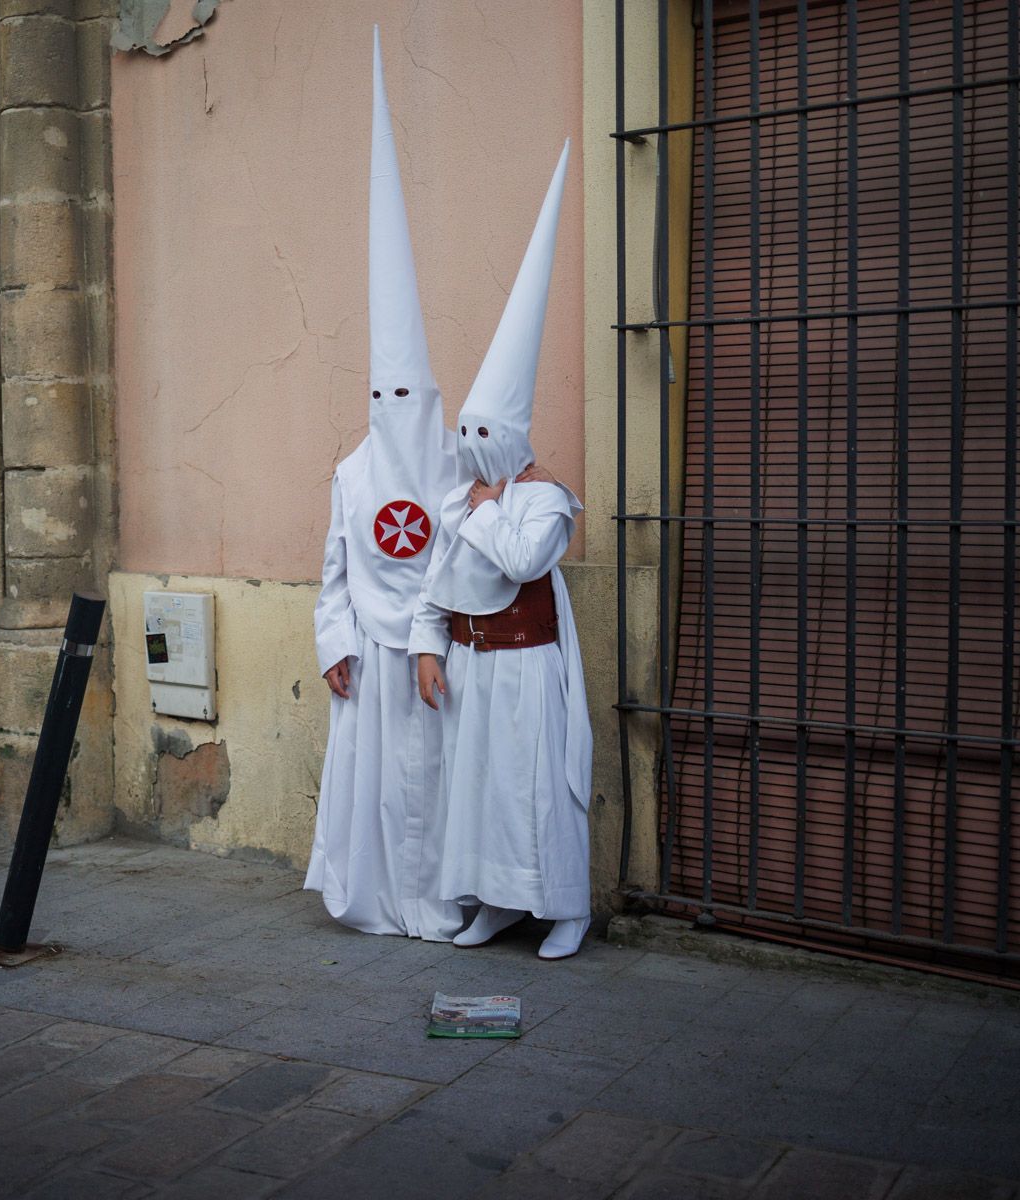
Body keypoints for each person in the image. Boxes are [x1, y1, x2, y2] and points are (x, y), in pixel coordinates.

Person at [409, 143, 596, 962]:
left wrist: (487, 510)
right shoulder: (460, 498)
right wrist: (425, 645)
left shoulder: (548, 498)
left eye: (489, 433)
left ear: (513, 435)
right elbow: (435, 581)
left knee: (533, 794)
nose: (475, 446)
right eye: (467, 432)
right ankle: (491, 904)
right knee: (478, 794)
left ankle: (563, 908)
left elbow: (522, 562)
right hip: (474, 665)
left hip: (529, 664)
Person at [303, 31, 468, 941]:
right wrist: (335, 638)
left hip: (439, 661)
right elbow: (333, 569)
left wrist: (433, 637)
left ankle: (443, 902)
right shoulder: (354, 471)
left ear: (432, 400)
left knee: (440, 783)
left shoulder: (453, 465)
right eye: (385, 395)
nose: (397, 407)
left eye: (411, 396)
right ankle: (374, 900)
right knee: (376, 786)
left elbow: (463, 559)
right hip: (371, 662)